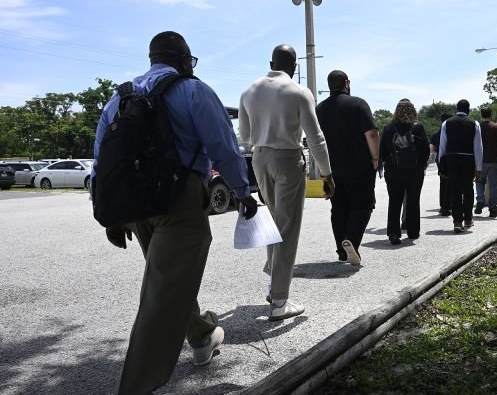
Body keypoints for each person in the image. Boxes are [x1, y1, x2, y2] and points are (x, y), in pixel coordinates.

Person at [95, 31, 258, 394]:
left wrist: (111, 215)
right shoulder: (193, 90)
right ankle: (136, 387)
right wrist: (242, 192)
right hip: (178, 200)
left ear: (153, 58)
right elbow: (223, 148)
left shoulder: (120, 97)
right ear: (184, 59)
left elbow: (102, 158)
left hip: (135, 206)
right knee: (162, 294)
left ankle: (201, 336)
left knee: (168, 280)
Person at [239, 44, 333, 321]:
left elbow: (245, 134)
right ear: (294, 66)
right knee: (287, 228)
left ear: (271, 63)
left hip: (259, 157)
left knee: (272, 223)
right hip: (288, 157)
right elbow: (315, 137)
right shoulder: (299, 91)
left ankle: (274, 278)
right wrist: (327, 173)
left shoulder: (249, 91)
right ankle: (280, 300)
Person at [316, 70, 379, 264]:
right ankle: (350, 240)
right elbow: (372, 134)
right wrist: (375, 158)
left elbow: (315, 140)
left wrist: (322, 169)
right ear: (346, 83)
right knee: (363, 205)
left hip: (332, 168)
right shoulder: (358, 104)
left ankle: (342, 251)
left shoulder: (319, 109)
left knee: (339, 209)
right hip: (360, 166)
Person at [379, 99, 429, 244]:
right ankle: (413, 231)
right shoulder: (418, 127)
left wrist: (389, 163)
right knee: (413, 200)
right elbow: (426, 150)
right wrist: (420, 165)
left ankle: (393, 233)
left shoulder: (388, 128)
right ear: (413, 111)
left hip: (393, 172)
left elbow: (382, 151)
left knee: (394, 201)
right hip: (415, 172)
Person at [438, 99, 482, 233]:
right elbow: (478, 147)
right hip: (468, 160)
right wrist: (478, 167)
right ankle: (468, 218)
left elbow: (442, 145)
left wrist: (441, 164)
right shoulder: (474, 123)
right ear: (468, 109)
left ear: (456, 109)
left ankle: (457, 221)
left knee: (455, 191)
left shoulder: (446, 123)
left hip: (452, 159)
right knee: (468, 189)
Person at [430, 113, 452, 216]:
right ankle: (449, 205)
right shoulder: (452, 132)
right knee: (452, 182)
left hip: (440, 160)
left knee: (443, 182)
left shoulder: (436, 134)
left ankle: (443, 205)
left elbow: (432, 149)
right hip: (451, 158)